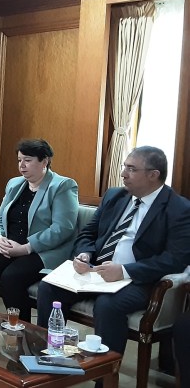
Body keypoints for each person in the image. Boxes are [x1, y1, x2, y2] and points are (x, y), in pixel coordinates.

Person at [37, 146, 190, 357]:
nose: (123, 174)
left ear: (153, 175)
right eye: (124, 167)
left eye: (131, 169)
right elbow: (88, 233)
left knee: (108, 306)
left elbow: (175, 259)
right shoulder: (115, 196)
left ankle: (106, 371)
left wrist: (125, 271)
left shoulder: (179, 209)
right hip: (95, 272)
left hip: (138, 280)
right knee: (49, 288)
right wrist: (85, 254)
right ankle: (49, 355)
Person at [0, 139, 78, 323]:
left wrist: (26, 248)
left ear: (44, 161)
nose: (22, 165)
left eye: (27, 160)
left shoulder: (62, 186)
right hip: (10, 246)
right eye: (19, 160)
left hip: (41, 250)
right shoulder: (14, 184)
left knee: (12, 278)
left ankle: (21, 330)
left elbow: (62, 228)